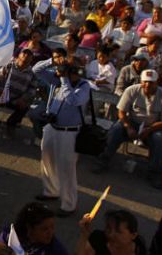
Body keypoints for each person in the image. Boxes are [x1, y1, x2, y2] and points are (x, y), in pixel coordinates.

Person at [92, 70, 162, 189]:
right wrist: (128, 127)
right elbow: (121, 112)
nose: (147, 85)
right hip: (132, 122)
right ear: (141, 81)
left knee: (159, 138)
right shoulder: (131, 90)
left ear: (157, 83)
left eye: (151, 83)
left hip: (154, 126)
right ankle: (102, 160)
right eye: (145, 82)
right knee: (116, 130)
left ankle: (155, 173)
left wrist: (149, 130)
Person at [31, 60, 91, 217]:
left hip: (69, 132)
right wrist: (53, 61)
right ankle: (51, 191)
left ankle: (69, 204)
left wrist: (64, 80)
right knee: (47, 160)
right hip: (52, 127)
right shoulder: (60, 79)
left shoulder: (84, 86)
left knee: (67, 168)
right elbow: (36, 69)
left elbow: (73, 100)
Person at [0, 49, 40, 139]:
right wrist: (0, 93)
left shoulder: (32, 74)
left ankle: (11, 124)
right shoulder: (8, 66)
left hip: (17, 99)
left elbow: (32, 90)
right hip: (1, 95)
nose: (25, 57)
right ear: (19, 56)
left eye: (29, 56)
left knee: (25, 107)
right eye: (24, 54)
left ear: (31, 59)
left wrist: (23, 99)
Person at [0, 202, 69, 255]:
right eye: (44, 229)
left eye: (52, 227)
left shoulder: (53, 246)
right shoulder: (8, 237)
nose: (51, 233)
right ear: (29, 228)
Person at [76, 210, 148, 255]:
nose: (111, 234)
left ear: (133, 235)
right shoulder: (98, 239)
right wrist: (84, 234)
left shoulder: (139, 250)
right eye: (108, 228)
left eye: (118, 231)